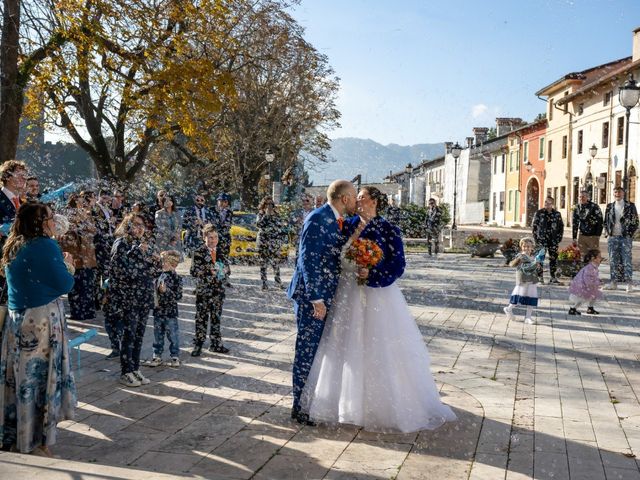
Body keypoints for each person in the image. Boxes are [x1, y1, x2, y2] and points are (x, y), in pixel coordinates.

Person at [300, 186, 457, 432]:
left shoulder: (388, 229)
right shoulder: (347, 225)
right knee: (344, 343)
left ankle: (380, 403)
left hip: (378, 296)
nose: (357, 201)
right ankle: (343, 403)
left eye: (361, 197)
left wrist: (372, 273)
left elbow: (398, 265)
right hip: (347, 293)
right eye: (356, 197)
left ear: (374, 201)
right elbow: (334, 257)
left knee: (379, 345)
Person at [0, 202, 76, 456]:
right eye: (50, 218)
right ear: (39, 223)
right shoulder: (45, 245)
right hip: (42, 320)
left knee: (20, 378)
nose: (54, 222)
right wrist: (68, 264)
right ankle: (38, 440)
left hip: (17, 319)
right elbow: (64, 283)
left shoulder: (14, 245)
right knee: (40, 380)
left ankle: (16, 435)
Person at [287, 179, 357, 426]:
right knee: (307, 351)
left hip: (325, 295)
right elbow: (308, 260)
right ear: (345, 199)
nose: (357, 201)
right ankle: (299, 407)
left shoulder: (336, 219)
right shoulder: (318, 218)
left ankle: (310, 402)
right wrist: (316, 298)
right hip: (311, 299)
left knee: (317, 350)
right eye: (354, 196)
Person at [108, 213, 157, 387]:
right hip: (128, 298)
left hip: (143, 296)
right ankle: (125, 371)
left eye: (142, 225)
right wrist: (138, 253)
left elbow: (149, 271)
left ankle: (135, 368)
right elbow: (120, 272)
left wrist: (156, 262)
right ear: (127, 226)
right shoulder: (121, 244)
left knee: (139, 335)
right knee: (129, 335)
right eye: (135, 225)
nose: (139, 228)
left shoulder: (141, 245)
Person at [190, 224, 229, 356]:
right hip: (203, 291)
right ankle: (198, 344)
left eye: (215, 237)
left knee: (216, 317)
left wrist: (225, 271)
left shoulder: (221, 251)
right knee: (201, 318)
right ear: (204, 238)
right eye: (210, 238)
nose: (213, 240)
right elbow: (193, 271)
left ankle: (216, 344)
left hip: (218, 291)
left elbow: (227, 269)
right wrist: (208, 271)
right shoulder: (198, 252)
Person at [60, 194, 98, 321]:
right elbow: (65, 238)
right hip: (75, 257)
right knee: (77, 288)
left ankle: (88, 311)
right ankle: (77, 312)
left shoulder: (87, 217)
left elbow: (93, 231)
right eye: (80, 203)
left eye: (83, 203)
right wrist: (77, 226)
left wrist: (84, 223)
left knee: (88, 287)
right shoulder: (68, 218)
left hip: (88, 257)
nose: (82, 205)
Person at [149, 250, 183, 367]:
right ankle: (157, 356)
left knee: (173, 336)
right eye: (162, 262)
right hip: (158, 311)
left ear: (173, 265)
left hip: (170, 313)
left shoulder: (176, 278)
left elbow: (178, 296)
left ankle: (175, 356)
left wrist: (166, 291)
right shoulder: (159, 274)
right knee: (157, 336)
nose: (162, 264)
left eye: (165, 262)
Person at [603, 187, 639, 292]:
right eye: (615, 192)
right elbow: (606, 221)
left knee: (626, 260)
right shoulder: (610, 206)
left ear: (623, 193)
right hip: (612, 237)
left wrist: (629, 234)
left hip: (625, 238)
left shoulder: (630, 206)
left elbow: (635, 221)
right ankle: (613, 283)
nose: (617, 194)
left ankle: (629, 283)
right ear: (613, 194)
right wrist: (608, 232)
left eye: (619, 192)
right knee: (613, 260)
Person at [504, 237, 541, 325]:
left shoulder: (532, 257)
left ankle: (528, 317)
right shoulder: (521, 256)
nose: (526, 248)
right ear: (521, 247)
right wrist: (534, 264)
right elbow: (523, 267)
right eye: (524, 246)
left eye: (528, 246)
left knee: (531, 297)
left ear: (532, 247)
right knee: (519, 296)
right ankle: (509, 309)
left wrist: (537, 266)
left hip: (531, 280)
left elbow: (534, 267)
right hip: (524, 280)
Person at [256, 196, 287, 290]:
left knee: (275, 263)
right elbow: (259, 225)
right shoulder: (260, 214)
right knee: (263, 263)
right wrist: (266, 215)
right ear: (263, 205)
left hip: (274, 242)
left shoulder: (277, 215)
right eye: (267, 204)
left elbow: (280, 227)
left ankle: (278, 282)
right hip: (263, 242)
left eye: (271, 204)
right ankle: (264, 283)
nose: (269, 206)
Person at [532, 196, 564, 284]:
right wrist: (536, 239)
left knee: (553, 259)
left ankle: (553, 277)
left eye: (549, 203)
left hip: (553, 240)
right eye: (545, 202)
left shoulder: (557, 214)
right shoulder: (539, 213)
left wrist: (558, 238)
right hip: (541, 240)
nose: (546, 204)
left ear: (552, 204)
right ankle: (539, 277)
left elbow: (561, 226)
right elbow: (534, 227)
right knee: (540, 258)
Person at [568, 249, 603, 315]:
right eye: (599, 257)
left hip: (587, 286)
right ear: (593, 258)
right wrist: (591, 284)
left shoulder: (593, 266)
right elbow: (587, 278)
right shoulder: (590, 267)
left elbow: (592, 276)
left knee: (593, 296)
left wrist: (597, 281)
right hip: (583, 286)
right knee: (581, 299)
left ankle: (590, 308)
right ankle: (573, 309)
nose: (601, 258)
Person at [572, 190, 603, 256]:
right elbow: (575, 223)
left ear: (587, 197)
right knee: (583, 257)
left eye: (583, 197)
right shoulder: (577, 208)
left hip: (593, 235)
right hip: (582, 235)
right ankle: (585, 266)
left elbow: (600, 221)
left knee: (594, 257)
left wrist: (598, 235)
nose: (581, 198)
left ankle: (593, 266)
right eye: (580, 197)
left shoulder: (594, 207)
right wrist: (574, 237)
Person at [215, 193, 233, 287]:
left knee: (224, 258)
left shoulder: (229, 212)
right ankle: (220, 277)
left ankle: (225, 277)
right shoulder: (214, 211)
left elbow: (227, 225)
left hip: (225, 238)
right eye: (220, 201)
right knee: (218, 259)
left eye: (224, 201)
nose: (221, 203)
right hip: (216, 238)